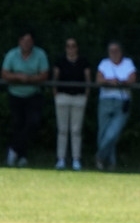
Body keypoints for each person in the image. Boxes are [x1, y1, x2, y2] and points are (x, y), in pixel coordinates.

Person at [2, 30, 49, 167]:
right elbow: (5, 74)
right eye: (24, 40)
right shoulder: (12, 54)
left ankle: (13, 150)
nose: (26, 44)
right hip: (15, 95)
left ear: (33, 42)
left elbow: (44, 74)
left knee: (32, 123)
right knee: (17, 124)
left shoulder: (40, 54)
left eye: (29, 41)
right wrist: (18, 77)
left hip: (33, 95)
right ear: (19, 41)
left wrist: (30, 79)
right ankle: (22, 156)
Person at [95, 41, 137, 170]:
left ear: (121, 51)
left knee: (113, 133)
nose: (114, 53)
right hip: (105, 100)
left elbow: (132, 79)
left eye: (116, 50)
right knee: (103, 132)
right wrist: (109, 81)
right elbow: (99, 79)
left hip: (122, 102)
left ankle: (99, 156)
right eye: (111, 51)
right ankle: (110, 163)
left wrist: (120, 82)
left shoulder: (128, 63)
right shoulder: (104, 63)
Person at [52, 37, 91, 171]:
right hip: (62, 97)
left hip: (79, 98)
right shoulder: (60, 61)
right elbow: (55, 78)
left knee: (76, 130)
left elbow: (88, 80)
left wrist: (85, 95)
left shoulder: (83, 61)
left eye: (73, 46)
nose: (71, 49)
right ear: (65, 48)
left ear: (77, 48)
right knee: (62, 130)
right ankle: (61, 159)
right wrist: (56, 94)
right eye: (68, 46)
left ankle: (76, 159)